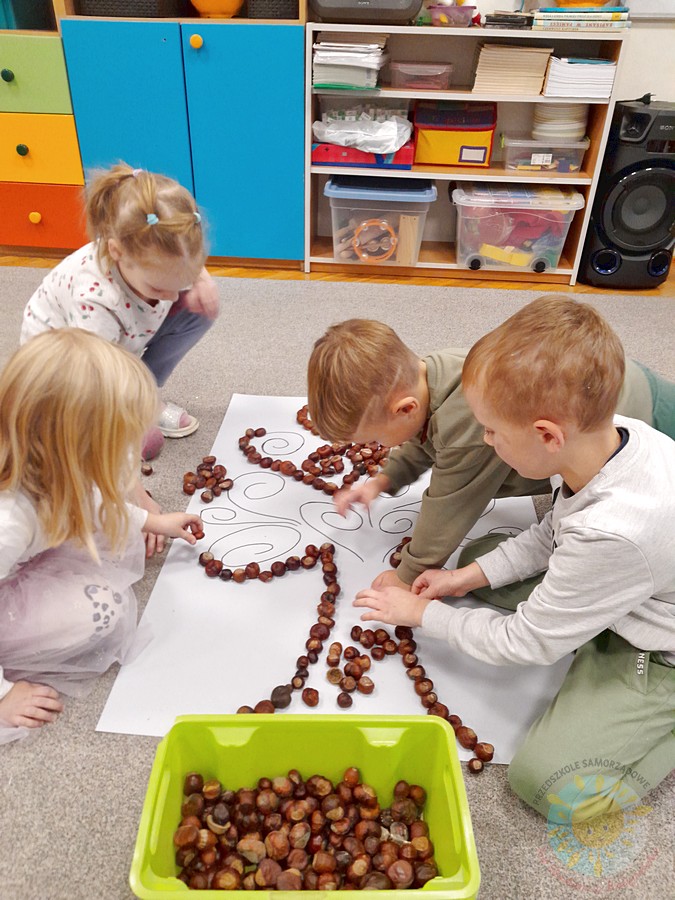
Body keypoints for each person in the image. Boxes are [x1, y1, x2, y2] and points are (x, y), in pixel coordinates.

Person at [353, 296, 675, 822]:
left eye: (492, 431)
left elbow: (528, 643)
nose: (484, 440)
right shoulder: (608, 439)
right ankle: (584, 616)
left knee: (547, 785)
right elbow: (554, 530)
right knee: (481, 558)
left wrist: (424, 617)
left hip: (659, 641)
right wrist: (465, 576)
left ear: (547, 435)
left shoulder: (612, 533)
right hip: (622, 578)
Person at [307, 314, 675, 592]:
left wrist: (408, 576)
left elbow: (450, 505)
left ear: (405, 408)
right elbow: (423, 438)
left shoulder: (466, 426)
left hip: (642, 414)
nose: (377, 447)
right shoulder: (430, 375)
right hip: (596, 381)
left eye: (374, 438)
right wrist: (383, 480)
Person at [0, 330, 204, 744]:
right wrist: (3, 696)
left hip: (25, 552)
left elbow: (90, 500)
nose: (130, 455)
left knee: (115, 529)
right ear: (71, 447)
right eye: (119, 445)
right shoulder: (9, 519)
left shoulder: (53, 467)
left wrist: (153, 522)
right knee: (102, 611)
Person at [21, 162, 220, 460]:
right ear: (117, 253)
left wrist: (200, 278)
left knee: (200, 307)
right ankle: (133, 400)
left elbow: (179, 255)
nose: (172, 297)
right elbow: (93, 381)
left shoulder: (159, 249)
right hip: (69, 365)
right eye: (158, 288)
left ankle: (145, 390)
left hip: (122, 332)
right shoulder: (95, 301)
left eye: (182, 280)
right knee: (137, 444)